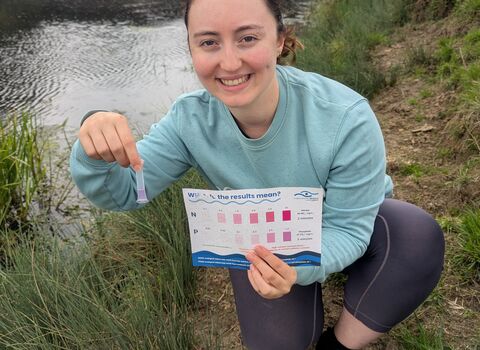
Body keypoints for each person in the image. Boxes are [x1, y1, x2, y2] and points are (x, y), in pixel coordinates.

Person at [70, 0, 445, 348]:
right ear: (191, 50)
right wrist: (94, 149)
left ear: (280, 41)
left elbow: (348, 230)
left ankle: (339, 343)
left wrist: (300, 270)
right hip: (263, 243)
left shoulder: (345, 116)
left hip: (349, 223)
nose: (230, 63)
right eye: (209, 43)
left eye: (247, 38)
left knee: (414, 236)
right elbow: (125, 193)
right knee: (279, 342)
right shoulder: (188, 121)